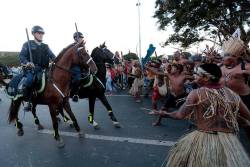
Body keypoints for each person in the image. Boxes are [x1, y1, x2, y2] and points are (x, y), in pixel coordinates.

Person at [161, 63, 250, 167]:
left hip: (203, 138)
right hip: (229, 141)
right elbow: (248, 116)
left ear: (206, 78)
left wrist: (165, 114)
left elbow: (180, 115)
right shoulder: (232, 94)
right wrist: (241, 121)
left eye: (197, 74)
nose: (195, 76)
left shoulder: (197, 93)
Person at [19, 25, 56, 111]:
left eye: (42, 33)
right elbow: (22, 56)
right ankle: (29, 101)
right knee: (30, 80)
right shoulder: (27, 44)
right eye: (38, 33)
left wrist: (57, 61)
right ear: (33, 34)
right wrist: (27, 63)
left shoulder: (46, 46)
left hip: (44, 69)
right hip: (31, 69)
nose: (41, 35)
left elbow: (53, 56)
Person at [70, 31, 85, 102]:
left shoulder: (82, 46)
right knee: (77, 78)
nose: (82, 39)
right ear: (76, 38)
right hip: (75, 65)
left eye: (82, 38)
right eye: (80, 38)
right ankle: (74, 94)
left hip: (83, 65)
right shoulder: (72, 46)